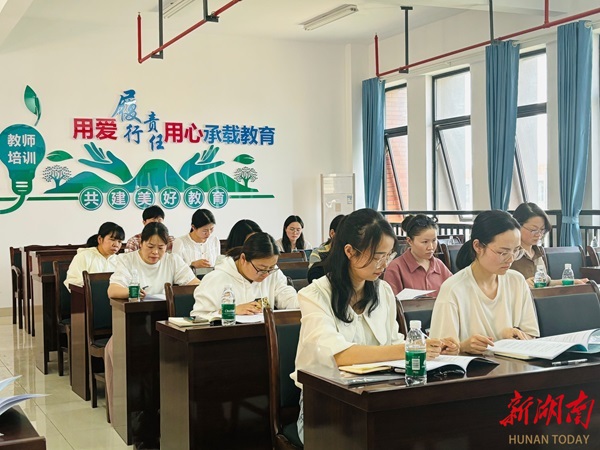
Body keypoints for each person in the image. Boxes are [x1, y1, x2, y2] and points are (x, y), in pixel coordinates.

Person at [291, 208, 459, 444]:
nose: (384, 264)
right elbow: (340, 356)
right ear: (349, 251)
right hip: (326, 406)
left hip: (377, 396)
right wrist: (405, 350)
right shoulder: (314, 295)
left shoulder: (383, 291)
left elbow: (394, 342)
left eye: (388, 255)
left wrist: (426, 347)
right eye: (378, 256)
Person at [105, 222, 199, 426]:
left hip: (167, 325)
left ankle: (170, 410)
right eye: (150, 246)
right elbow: (112, 290)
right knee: (117, 351)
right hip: (134, 326)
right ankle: (128, 414)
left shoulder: (173, 261)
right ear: (141, 243)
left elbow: (195, 287)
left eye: (161, 248)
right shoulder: (127, 260)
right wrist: (132, 291)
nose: (155, 252)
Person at [429, 210, 540, 355]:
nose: (511, 259)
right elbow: (439, 350)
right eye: (503, 252)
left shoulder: (517, 281)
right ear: (478, 246)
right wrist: (463, 347)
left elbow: (531, 335)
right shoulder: (453, 289)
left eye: (516, 251)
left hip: (513, 365)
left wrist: (517, 336)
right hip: (472, 368)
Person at [191, 232, 298, 317]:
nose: (266, 274)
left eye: (271, 268)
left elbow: (288, 299)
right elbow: (198, 317)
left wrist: (304, 300)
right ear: (243, 259)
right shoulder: (215, 279)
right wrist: (231, 310)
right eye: (261, 269)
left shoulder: (273, 273)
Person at [511, 202, 588, 287]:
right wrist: (522, 283)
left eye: (542, 230)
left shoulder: (538, 252)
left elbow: (546, 283)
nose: (539, 234)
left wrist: (572, 282)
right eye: (533, 230)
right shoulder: (510, 253)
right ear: (517, 226)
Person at [383, 214, 453, 297]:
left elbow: (454, 291)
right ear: (409, 241)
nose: (431, 247)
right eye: (425, 242)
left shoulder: (439, 265)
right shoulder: (396, 268)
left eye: (434, 240)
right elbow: (391, 302)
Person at [64, 222, 125, 290]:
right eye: (112, 240)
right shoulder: (84, 256)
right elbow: (71, 282)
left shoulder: (119, 261)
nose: (116, 245)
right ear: (100, 239)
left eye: (119, 241)